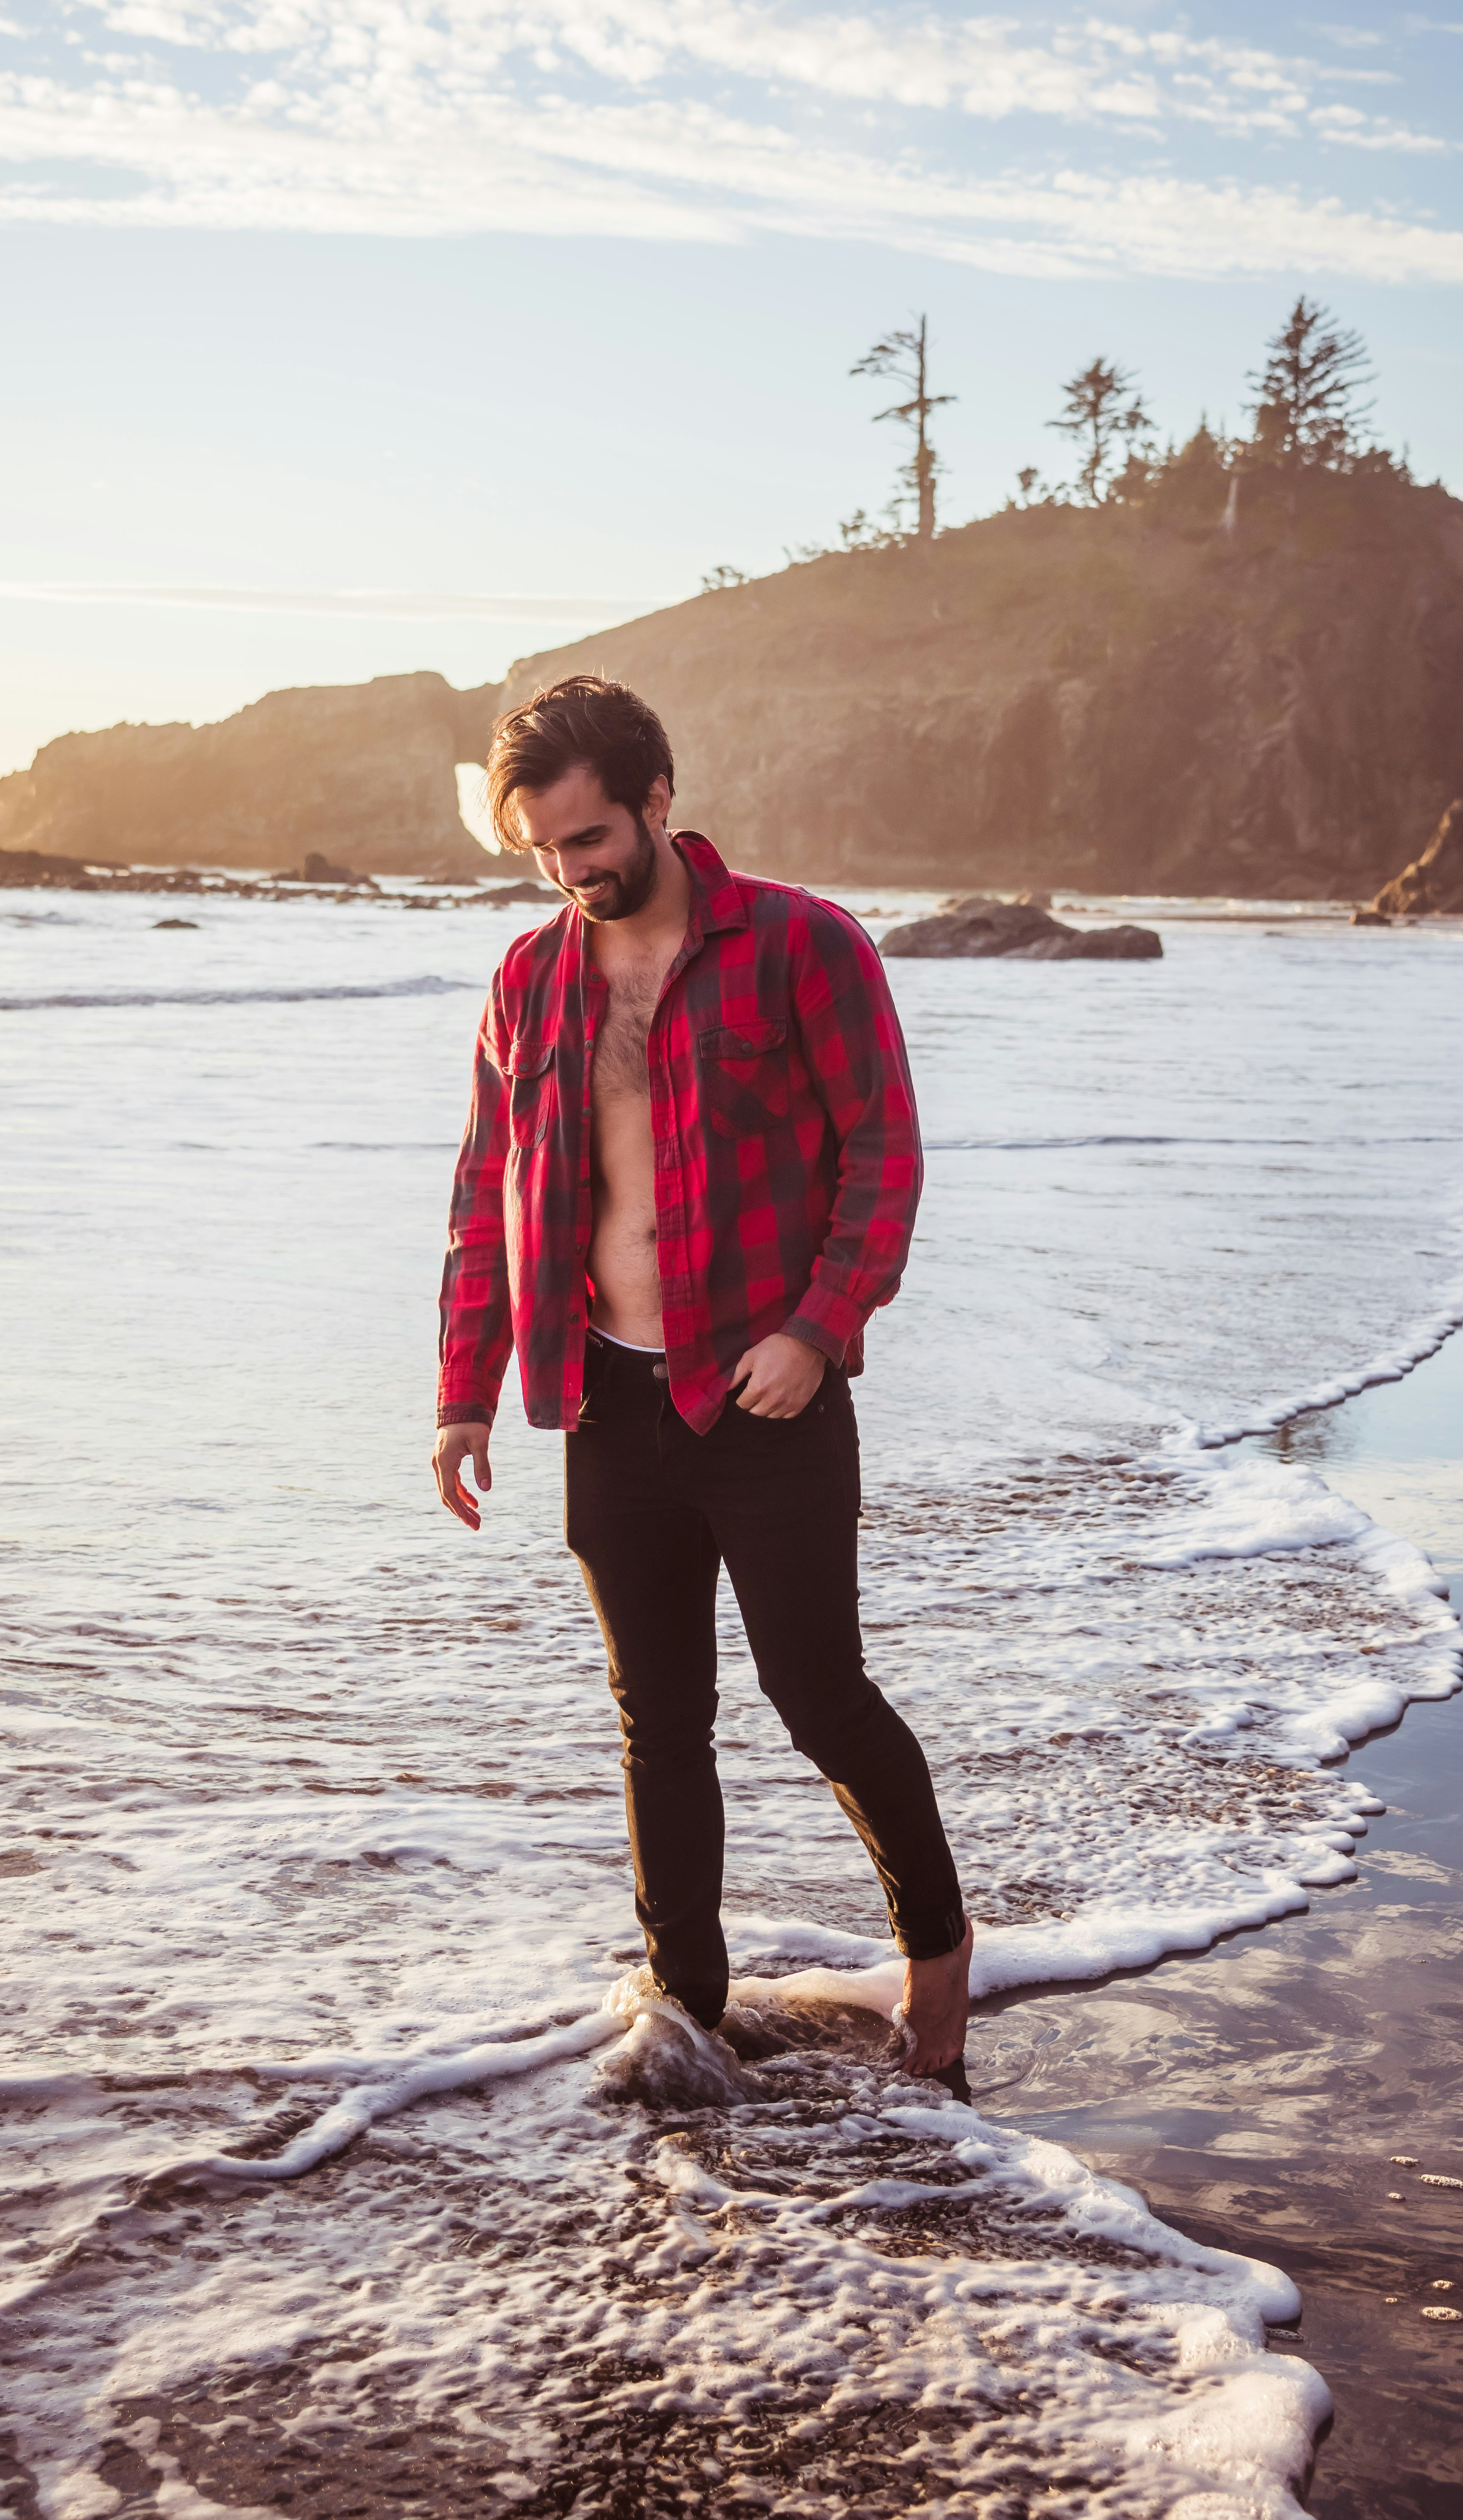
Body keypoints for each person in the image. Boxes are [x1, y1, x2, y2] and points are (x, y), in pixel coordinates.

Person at [432, 673, 971, 2087]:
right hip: (605, 1399)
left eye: (590, 838)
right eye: (542, 848)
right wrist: (461, 1389)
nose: (570, 870)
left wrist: (818, 1326)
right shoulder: (526, 978)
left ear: (658, 801)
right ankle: (682, 2018)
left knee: (820, 1697)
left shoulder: (800, 946)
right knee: (654, 1719)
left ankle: (942, 1984)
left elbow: (884, 1156)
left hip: (765, 1398)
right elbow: (488, 1190)